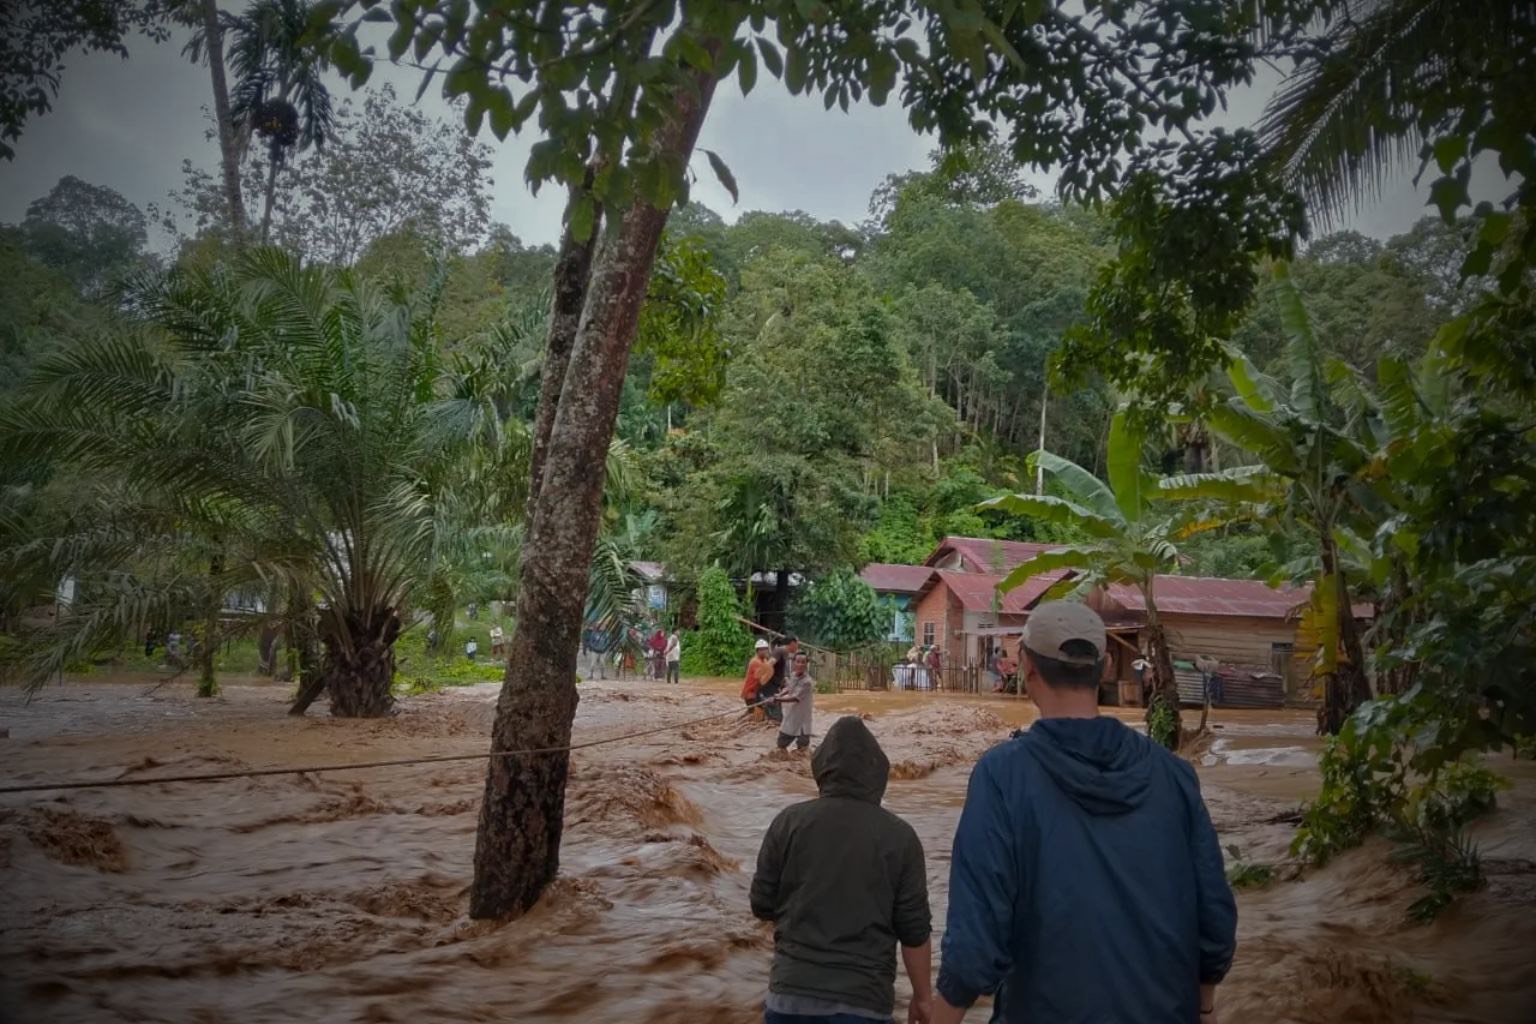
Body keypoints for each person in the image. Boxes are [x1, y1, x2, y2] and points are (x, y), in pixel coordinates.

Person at [932, 601, 1236, 1024]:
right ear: (1107, 666)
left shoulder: (1002, 776)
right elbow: (1214, 919)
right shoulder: (1174, 776)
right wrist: (1203, 1007)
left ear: (1026, 668)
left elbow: (976, 941)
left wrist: (943, 1012)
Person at [751, 715, 933, 1024]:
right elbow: (914, 931)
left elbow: (761, 904)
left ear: (821, 769)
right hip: (864, 1003)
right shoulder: (900, 837)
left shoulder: (788, 823)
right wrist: (923, 997)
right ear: (878, 773)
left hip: (788, 999)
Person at [774, 651, 815, 754]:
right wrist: (779, 695)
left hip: (803, 723)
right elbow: (789, 688)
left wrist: (777, 700)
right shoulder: (793, 676)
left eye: (803, 662)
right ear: (793, 663)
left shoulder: (807, 682)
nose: (800, 664)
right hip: (791, 718)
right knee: (780, 747)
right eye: (798, 662)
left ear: (806, 664)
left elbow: (795, 698)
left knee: (802, 752)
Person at [760, 634, 798, 724]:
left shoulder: (785, 654)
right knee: (776, 720)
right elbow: (770, 664)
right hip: (770, 688)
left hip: (775, 687)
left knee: (777, 719)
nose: (798, 647)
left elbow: (781, 672)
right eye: (797, 644)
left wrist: (786, 683)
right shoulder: (779, 651)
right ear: (792, 643)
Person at [743, 639, 775, 716]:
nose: (765, 651)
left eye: (766, 649)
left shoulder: (764, 660)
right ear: (758, 651)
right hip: (751, 694)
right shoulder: (755, 662)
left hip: (756, 692)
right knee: (756, 716)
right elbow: (762, 680)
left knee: (754, 713)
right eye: (762, 649)